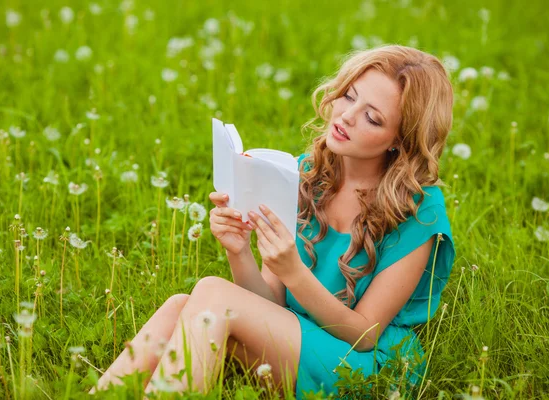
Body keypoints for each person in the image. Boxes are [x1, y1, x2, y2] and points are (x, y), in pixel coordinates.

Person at [91, 44, 456, 399]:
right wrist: (239, 251)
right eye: (348, 96)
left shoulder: (419, 211)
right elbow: (269, 305)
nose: (346, 115)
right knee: (180, 305)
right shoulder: (304, 174)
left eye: (372, 117)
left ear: (399, 141)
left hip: (364, 368)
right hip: (297, 342)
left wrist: (294, 271)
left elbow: (364, 334)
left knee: (212, 294)